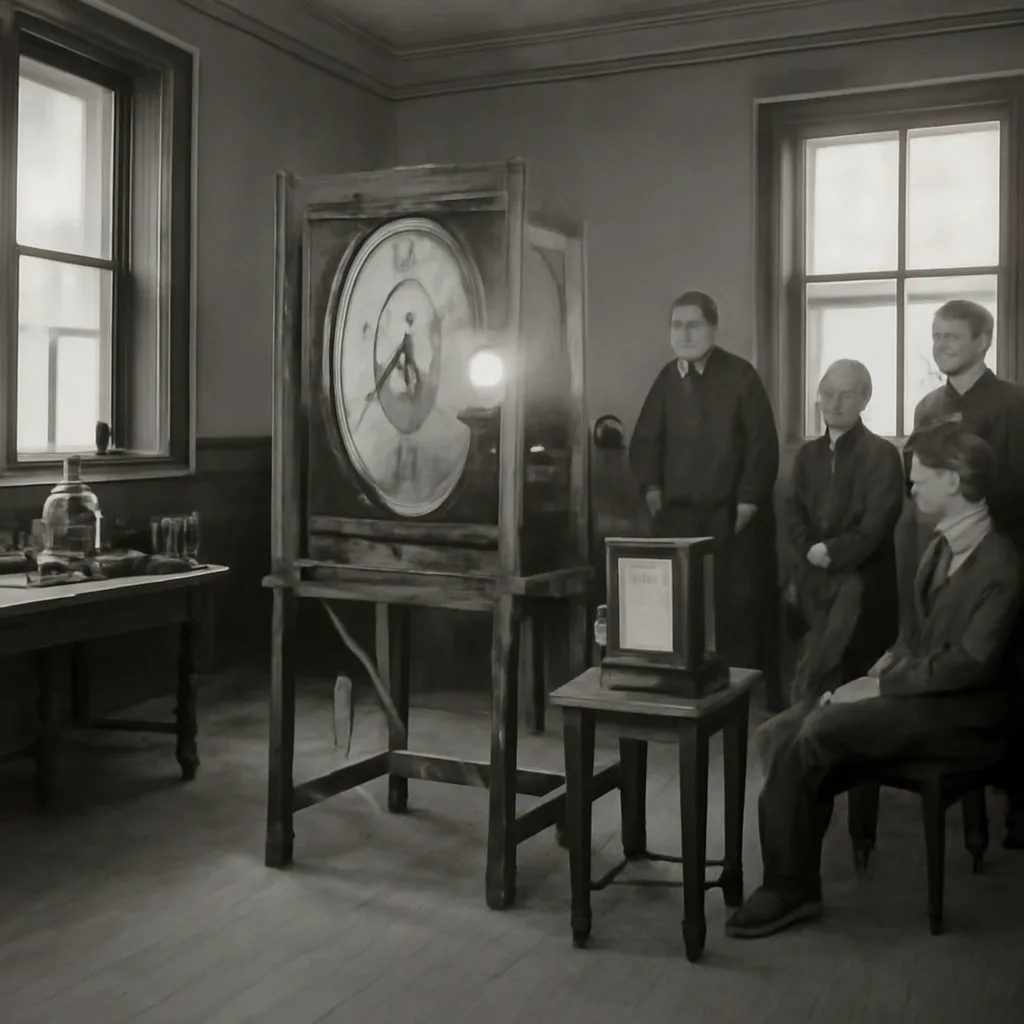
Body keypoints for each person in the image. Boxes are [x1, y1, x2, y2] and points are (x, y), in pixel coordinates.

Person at [727, 423, 1021, 939]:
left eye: (921, 479)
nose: (912, 488)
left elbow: (969, 666)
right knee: (778, 734)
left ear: (954, 482)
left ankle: (788, 887)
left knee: (816, 732)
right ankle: (793, 877)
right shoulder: (942, 545)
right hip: (923, 696)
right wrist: (876, 670)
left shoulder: (1000, 563)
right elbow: (916, 636)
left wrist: (879, 687)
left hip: (965, 716)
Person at [911, 299, 1024, 849]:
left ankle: (1019, 802)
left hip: (1003, 555)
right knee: (944, 659)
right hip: (946, 555)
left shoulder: (1013, 402)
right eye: (936, 336)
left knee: (1012, 671)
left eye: (953, 336)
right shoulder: (929, 405)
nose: (941, 345)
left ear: (984, 341)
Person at [628, 290, 780, 698]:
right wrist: (652, 489)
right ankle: (683, 686)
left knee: (736, 604)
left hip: (730, 514)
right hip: (678, 517)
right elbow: (645, 441)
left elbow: (762, 446)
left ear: (713, 327)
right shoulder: (667, 378)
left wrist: (748, 501)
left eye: (694, 325)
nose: (685, 334)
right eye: (677, 326)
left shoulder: (740, 375)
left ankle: (740, 692)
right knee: (678, 604)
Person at [782, 360, 905, 705]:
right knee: (808, 667)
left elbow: (877, 523)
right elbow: (792, 511)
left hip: (863, 580)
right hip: (812, 577)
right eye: (827, 394)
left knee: (851, 680)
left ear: (864, 400)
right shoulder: (807, 455)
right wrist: (810, 549)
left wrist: (832, 551)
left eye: (846, 395)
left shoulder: (881, 455)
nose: (835, 403)